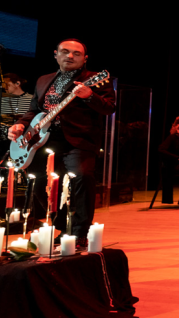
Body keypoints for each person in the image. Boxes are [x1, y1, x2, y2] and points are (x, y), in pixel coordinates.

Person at [8, 39, 116, 245]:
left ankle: (79, 233)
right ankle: (62, 226)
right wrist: (21, 125)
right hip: (42, 141)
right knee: (39, 183)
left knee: (82, 179)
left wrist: (90, 96)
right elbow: (35, 110)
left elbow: (109, 107)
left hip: (79, 140)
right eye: (65, 52)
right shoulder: (43, 79)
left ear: (85, 58)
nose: (70, 56)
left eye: (76, 53)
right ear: (55, 54)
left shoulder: (95, 79)